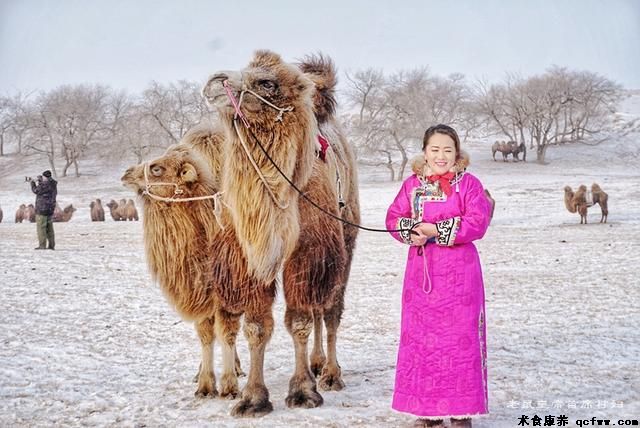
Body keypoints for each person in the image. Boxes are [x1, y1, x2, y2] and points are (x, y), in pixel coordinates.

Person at [386, 124, 492, 428]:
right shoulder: (412, 186)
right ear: (424, 151)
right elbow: (393, 218)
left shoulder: (468, 184)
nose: (441, 156)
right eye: (435, 149)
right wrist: (410, 232)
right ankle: (427, 411)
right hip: (422, 275)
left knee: (461, 341)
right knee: (422, 342)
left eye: (448, 149)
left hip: (461, 277)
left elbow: (478, 221)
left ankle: (461, 412)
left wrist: (436, 230)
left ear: (456, 152)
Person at [29, 170, 57, 250]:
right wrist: (41, 181)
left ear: (45, 177)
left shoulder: (45, 184)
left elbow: (36, 191)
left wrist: (32, 183)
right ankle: (51, 246)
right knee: (50, 228)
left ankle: (42, 245)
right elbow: (45, 189)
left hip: (42, 209)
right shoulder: (53, 183)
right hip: (50, 209)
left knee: (41, 228)